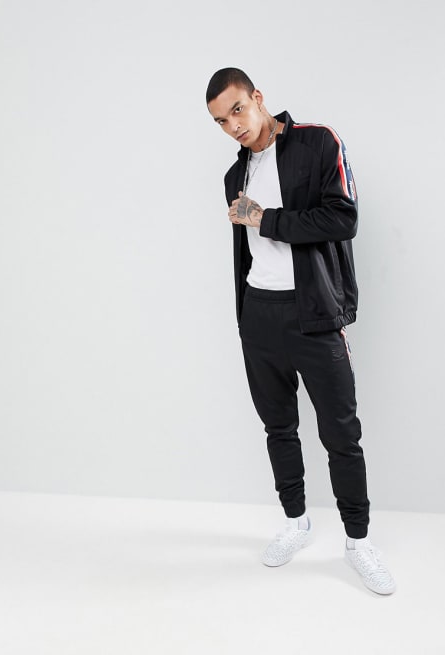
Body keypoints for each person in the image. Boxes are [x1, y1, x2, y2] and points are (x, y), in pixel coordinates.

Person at [206, 67, 395, 595]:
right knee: (279, 428)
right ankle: (296, 522)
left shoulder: (317, 142)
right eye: (221, 121)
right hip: (259, 316)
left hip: (315, 313)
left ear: (258, 97)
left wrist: (265, 218)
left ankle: (358, 542)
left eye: (238, 110)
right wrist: (245, 315)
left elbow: (342, 219)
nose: (234, 125)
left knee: (341, 434)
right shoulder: (235, 175)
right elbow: (248, 252)